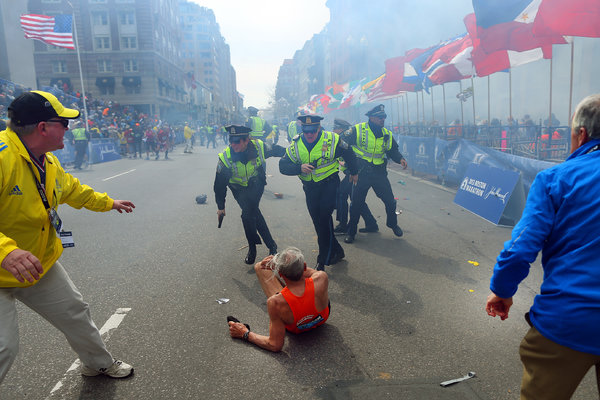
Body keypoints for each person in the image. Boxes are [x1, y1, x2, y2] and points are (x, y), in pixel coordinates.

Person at [0, 91, 135, 383]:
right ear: (43, 127)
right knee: (3, 347)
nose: (69, 129)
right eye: (64, 122)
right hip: (5, 263)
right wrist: (6, 252)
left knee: (75, 312)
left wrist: (108, 202)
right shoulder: (2, 158)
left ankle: (97, 363)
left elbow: (72, 189)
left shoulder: (47, 161)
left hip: (38, 262)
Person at [485, 94, 600, 399]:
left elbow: (520, 249)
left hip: (567, 321)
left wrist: (503, 290)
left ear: (582, 134)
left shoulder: (555, 179)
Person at [279, 114, 358, 271]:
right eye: (306, 131)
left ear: (319, 128)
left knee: (324, 217)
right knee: (319, 223)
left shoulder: (332, 139)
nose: (309, 134)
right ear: (302, 129)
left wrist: (354, 172)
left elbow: (349, 153)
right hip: (310, 188)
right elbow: (282, 166)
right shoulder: (296, 143)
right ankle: (338, 251)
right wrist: (298, 168)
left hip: (329, 184)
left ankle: (323, 260)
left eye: (313, 131)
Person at [228, 247, 330, 352]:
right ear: (304, 266)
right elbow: (305, 272)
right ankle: (292, 275)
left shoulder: (275, 302)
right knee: (302, 283)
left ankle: (289, 281)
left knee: (260, 266)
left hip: (297, 328)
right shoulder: (322, 277)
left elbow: (274, 345)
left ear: (280, 273)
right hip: (321, 317)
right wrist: (291, 267)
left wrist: (245, 333)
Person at [214, 125, 285, 264]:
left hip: (255, 184)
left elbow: (278, 150)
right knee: (254, 215)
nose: (233, 144)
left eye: (237, 141)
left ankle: (253, 249)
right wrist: (221, 207)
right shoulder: (225, 158)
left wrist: (294, 157)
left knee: (247, 215)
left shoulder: (259, 147)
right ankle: (272, 246)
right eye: (231, 140)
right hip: (238, 188)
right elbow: (219, 185)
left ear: (247, 140)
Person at [343, 104, 407, 244]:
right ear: (371, 117)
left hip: (379, 174)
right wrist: (349, 166)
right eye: (379, 117)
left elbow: (392, 150)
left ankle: (392, 224)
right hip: (361, 173)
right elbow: (343, 144)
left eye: (384, 117)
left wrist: (400, 159)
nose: (382, 119)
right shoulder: (358, 129)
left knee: (390, 201)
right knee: (356, 204)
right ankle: (351, 232)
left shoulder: (386, 134)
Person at [332, 118, 377, 235]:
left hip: (357, 172)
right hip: (354, 172)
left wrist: (346, 164)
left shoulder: (347, 139)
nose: (334, 130)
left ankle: (343, 225)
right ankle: (371, 222)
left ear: (341, 129)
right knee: (356, 199)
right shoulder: (343, 138)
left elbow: (353, 156)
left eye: (335, 128)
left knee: (342, 193)